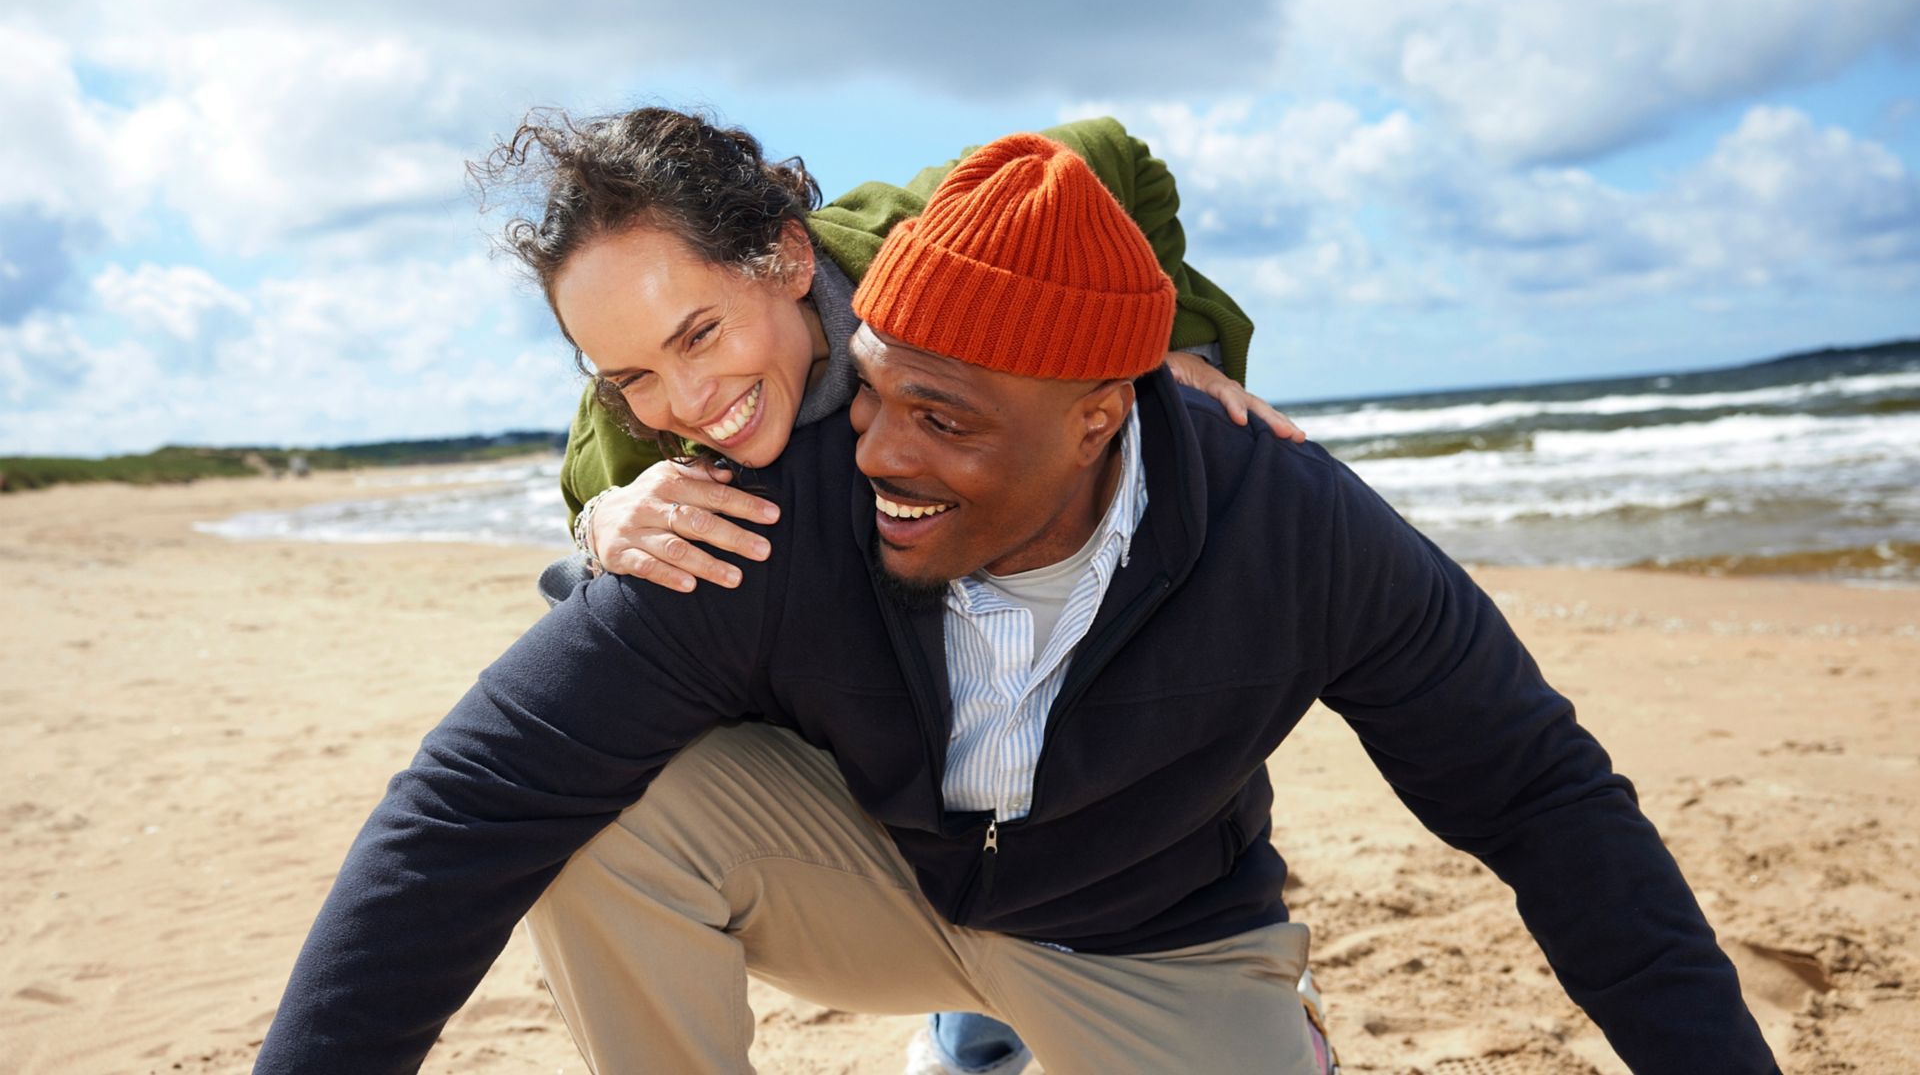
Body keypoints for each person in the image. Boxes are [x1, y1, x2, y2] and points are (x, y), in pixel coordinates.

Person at [256, 136, 1779, 1073]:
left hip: (1146, 931)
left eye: (949, 420)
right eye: (875, 399)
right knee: (594, 811)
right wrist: (603, 517)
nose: (883, 459)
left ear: (1102, 415)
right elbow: (471, 800)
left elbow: (1543, 799)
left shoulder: (1286, 526)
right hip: (882, 873)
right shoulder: (762, 496)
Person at [500, 107, 1299, 1073]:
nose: (689, 399)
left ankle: (1082, 1004)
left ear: (788, 259)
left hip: (1115, 825)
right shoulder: (631, 425)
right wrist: (605, 524)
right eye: (630, 373)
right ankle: (972, 1015)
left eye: (702, 334)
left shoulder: (925, 244)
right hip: (880, 802)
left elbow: (1113, 154)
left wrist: (1151, 337)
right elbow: (597, 586)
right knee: (621, 788)